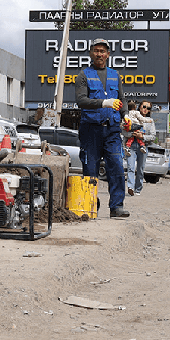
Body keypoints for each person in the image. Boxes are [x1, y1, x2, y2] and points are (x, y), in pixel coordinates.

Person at [74, 39, 128, 217]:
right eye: (96, 50)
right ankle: (90, 205)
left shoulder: (115, 75)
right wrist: (105, 102)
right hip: (91, 130)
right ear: (91, 53)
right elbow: (81, 101)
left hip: (112, 129)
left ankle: (116, 207)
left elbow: (122, 100)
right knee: (90, 170)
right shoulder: (83, 75)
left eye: (103, 51)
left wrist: (125, 115)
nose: (99, 54)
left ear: (108, 54)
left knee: (117, 167)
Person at [124, 101, 153, 196]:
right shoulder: (130, 117)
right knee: (130, 167)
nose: (145, 109)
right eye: (144, 106)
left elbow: (153, 137)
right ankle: (130, 187)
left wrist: (142, 137)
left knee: (140, 169)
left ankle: (138, 189)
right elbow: (123, 131)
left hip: (143, 146)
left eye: (148, 108)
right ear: (139, 107)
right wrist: (132, 134)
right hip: (131, 146)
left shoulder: (150, 121)